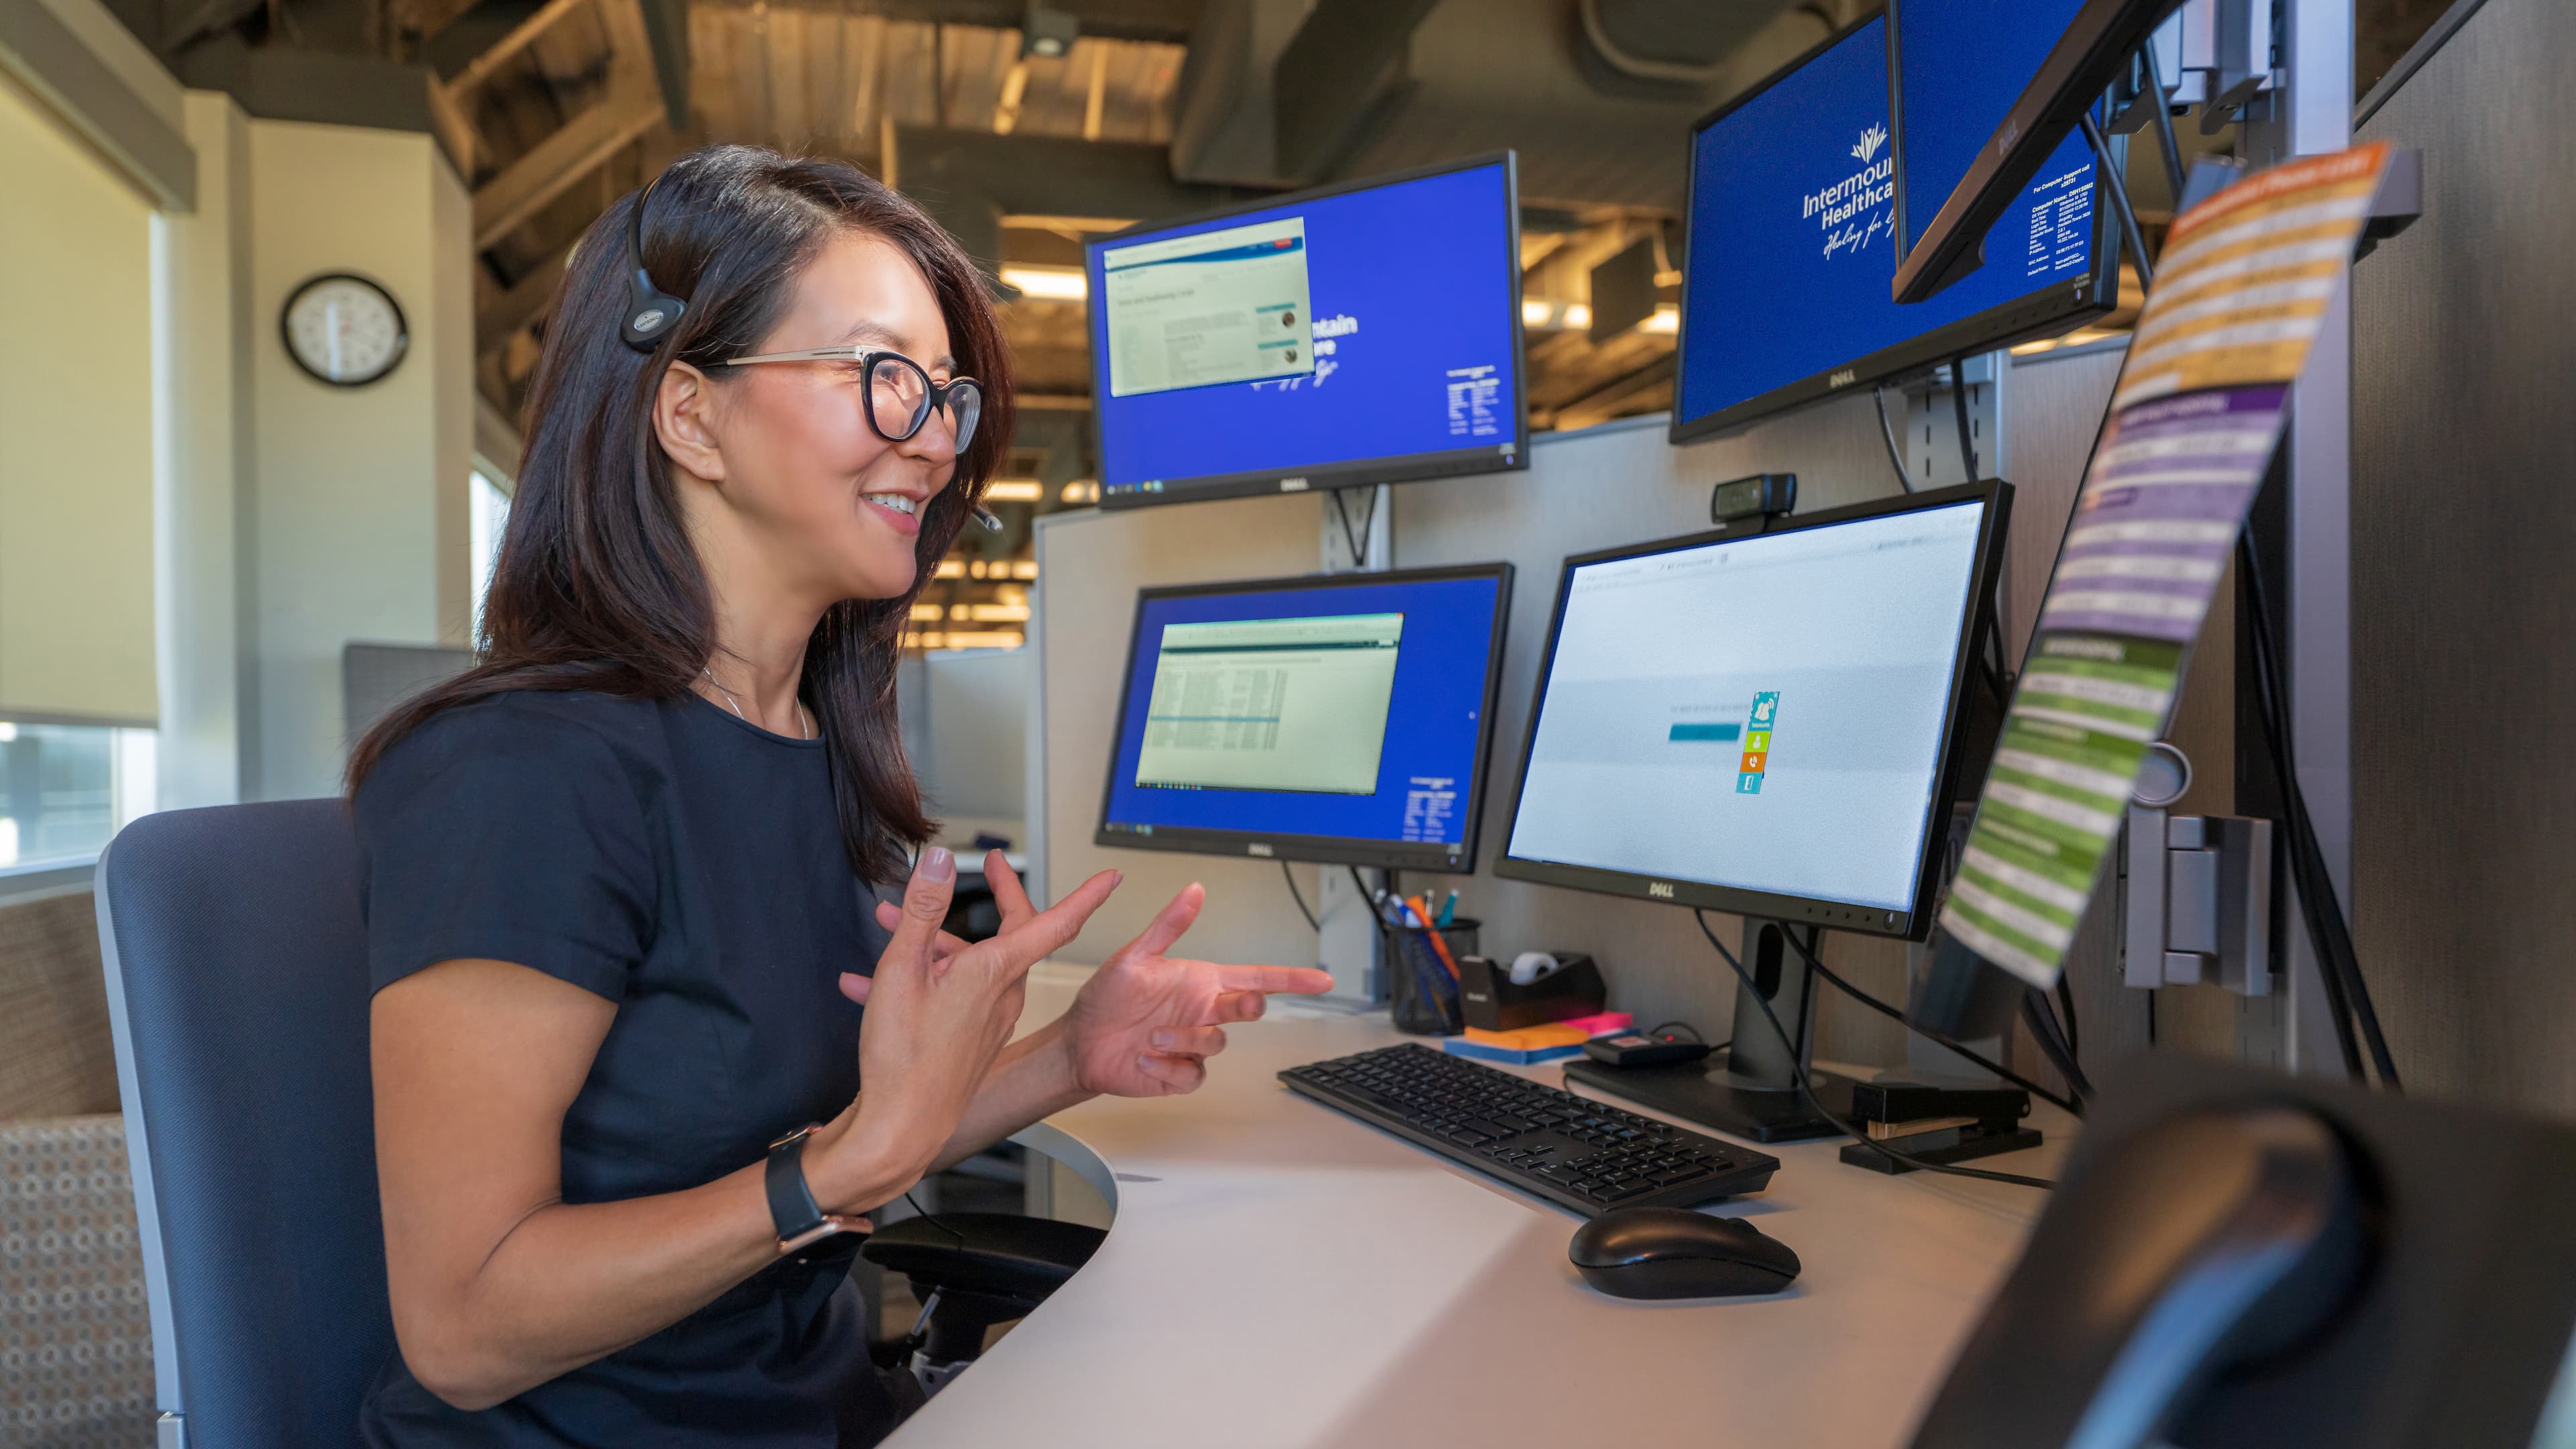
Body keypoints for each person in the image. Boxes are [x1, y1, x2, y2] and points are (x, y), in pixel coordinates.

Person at [347, 144, 1334, 1446]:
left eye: (944, 396)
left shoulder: (809, 740)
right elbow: (464, 1335)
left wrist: (1074, 1052)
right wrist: (838, 1174)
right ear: (690, 414)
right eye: (884, 378)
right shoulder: (522, 773)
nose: (932, 440)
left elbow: (825, 1141)